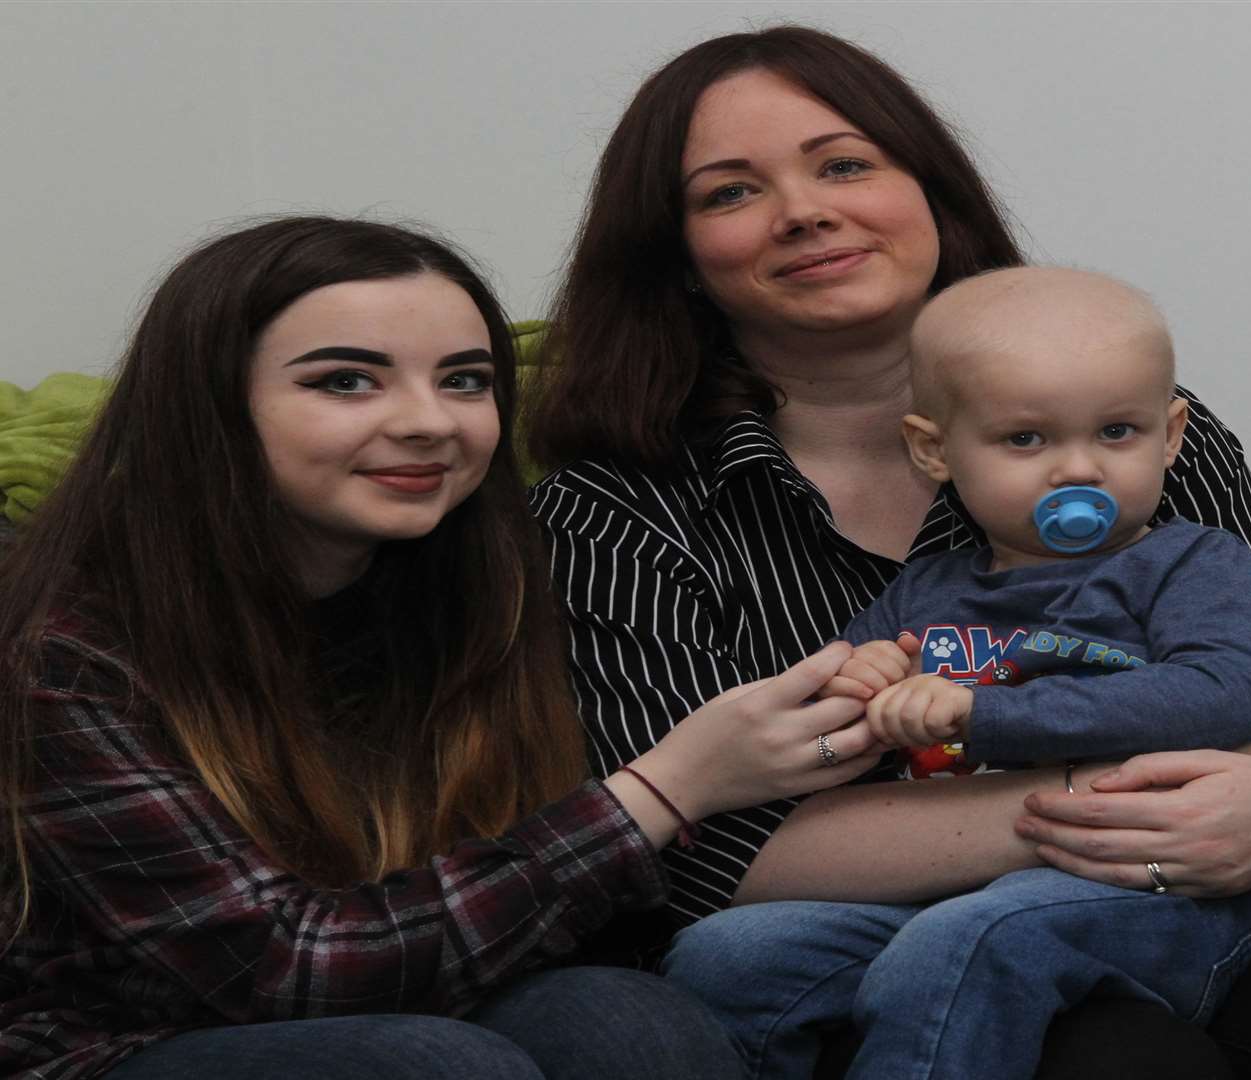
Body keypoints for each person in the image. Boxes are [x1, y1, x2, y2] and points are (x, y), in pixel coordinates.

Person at [525, 25, 1251, 1077]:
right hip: (873, 928)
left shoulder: (1134, 436)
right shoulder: (620, 512)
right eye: (730, 192)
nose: (805, 211)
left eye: (843, 164)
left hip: (1230, 891)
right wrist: (1116, 799)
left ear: (931, 194)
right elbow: (696, 848)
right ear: (678, 260)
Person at [0, 216, 883, 1080]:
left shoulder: (476, 591)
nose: (429, 423)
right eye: (346, 382)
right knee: (432, 1061)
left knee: (620, 1014)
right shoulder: (67, 647)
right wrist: (668, 786)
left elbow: (543, 914)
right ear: (209, 408)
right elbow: (285, 972)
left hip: (407, 991)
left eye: (465, 381)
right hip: (106, 1041)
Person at [662, 267, 1251, 1080]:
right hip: (964, 886)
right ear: (933, 449)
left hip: (1172, 888)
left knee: (968, 944)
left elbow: (1226, 694)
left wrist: (982, 712)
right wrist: (859, 681)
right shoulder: (926, 588)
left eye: (1117, 432)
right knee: (728, 954)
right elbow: (838, 715)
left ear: (1172, 433)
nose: (1079, 470)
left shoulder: (1192, 563)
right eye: (1026, 440)